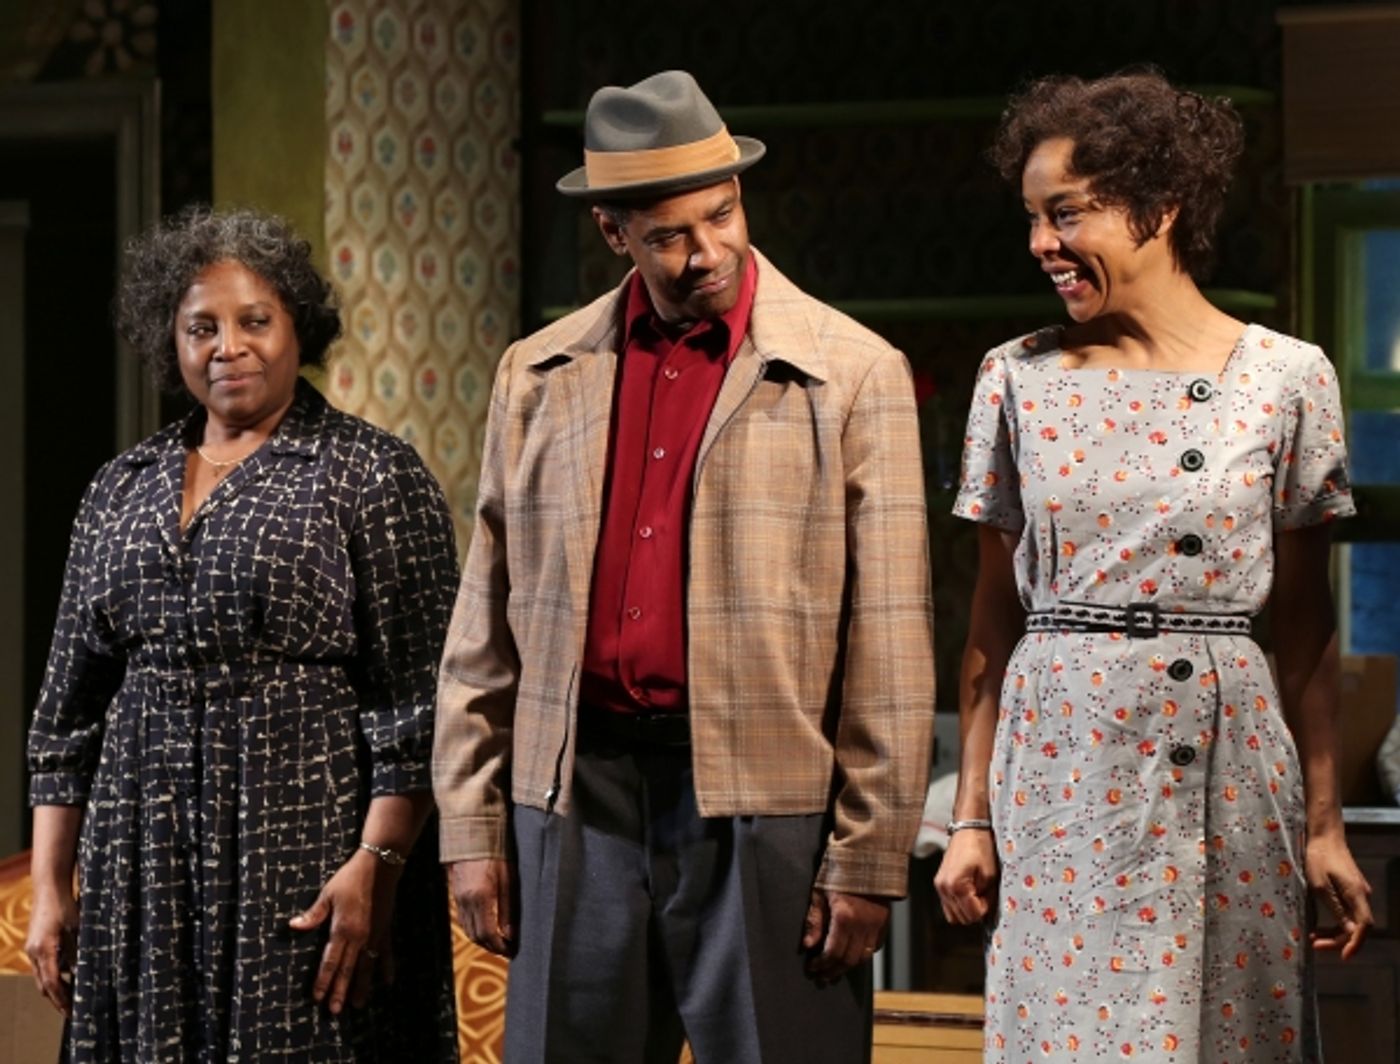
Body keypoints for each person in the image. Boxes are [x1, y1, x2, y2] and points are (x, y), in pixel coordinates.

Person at [432, 70, 935, 1063]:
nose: (706, 250)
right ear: (613, 232)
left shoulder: (849, 370)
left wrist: (869, 851)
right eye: (668, 233)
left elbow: (889, 633)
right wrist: (470, 820)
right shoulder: (536, 375)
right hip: (574, 793)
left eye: (721, 213)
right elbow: (483, 617)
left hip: (765, 801)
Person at [934, 70, 1373, 1061]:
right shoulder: (1015, 378)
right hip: (1062, 768)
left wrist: (1320, 825)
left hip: (1224, 767)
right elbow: (989, 620)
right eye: (1032, 217)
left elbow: (1303, 627)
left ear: (1158, 206)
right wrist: (969, 816)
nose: (1041, 242)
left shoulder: (1286, 375)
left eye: (1065, 213)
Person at [25, 207, 461, 1062]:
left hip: (305, 847)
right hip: (141, 857)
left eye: (254, 321)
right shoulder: (121, 487)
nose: (229, 347)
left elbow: (419, 703)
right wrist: (50, 885)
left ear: (299, 326)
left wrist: (378, 860)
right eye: (202, 328)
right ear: (169, 342)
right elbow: (65, 714)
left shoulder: (369, 474)